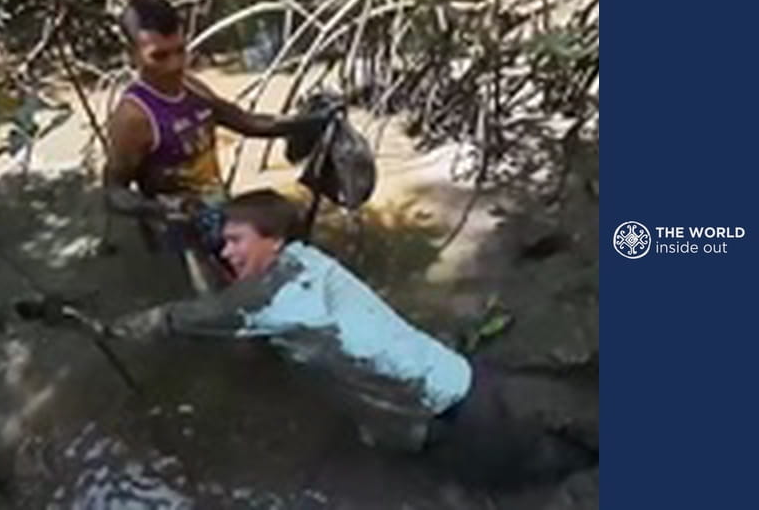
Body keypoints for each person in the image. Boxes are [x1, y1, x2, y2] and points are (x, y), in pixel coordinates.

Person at [95, 189, 597, 488]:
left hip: (458, 416)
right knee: (566, 431)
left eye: (234, 241)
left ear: (271, 239)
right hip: (458, 377)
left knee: (544, 473)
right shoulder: (309, 262)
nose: (225, 251)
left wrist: (106, 328)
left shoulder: (272, 304)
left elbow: (180, 317)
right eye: (223, 242)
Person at [102, 0, 336, 290]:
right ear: (132, 55)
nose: (175, 65)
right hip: (179, 225)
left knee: (284, 222)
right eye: (159, 56)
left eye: (180, 51)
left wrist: (305, 123)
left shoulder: (191, 86)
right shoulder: (133, 117)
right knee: (229, 305)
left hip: (217, 207)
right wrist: (159, 210)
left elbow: (246, 122)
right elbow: (113, 191)